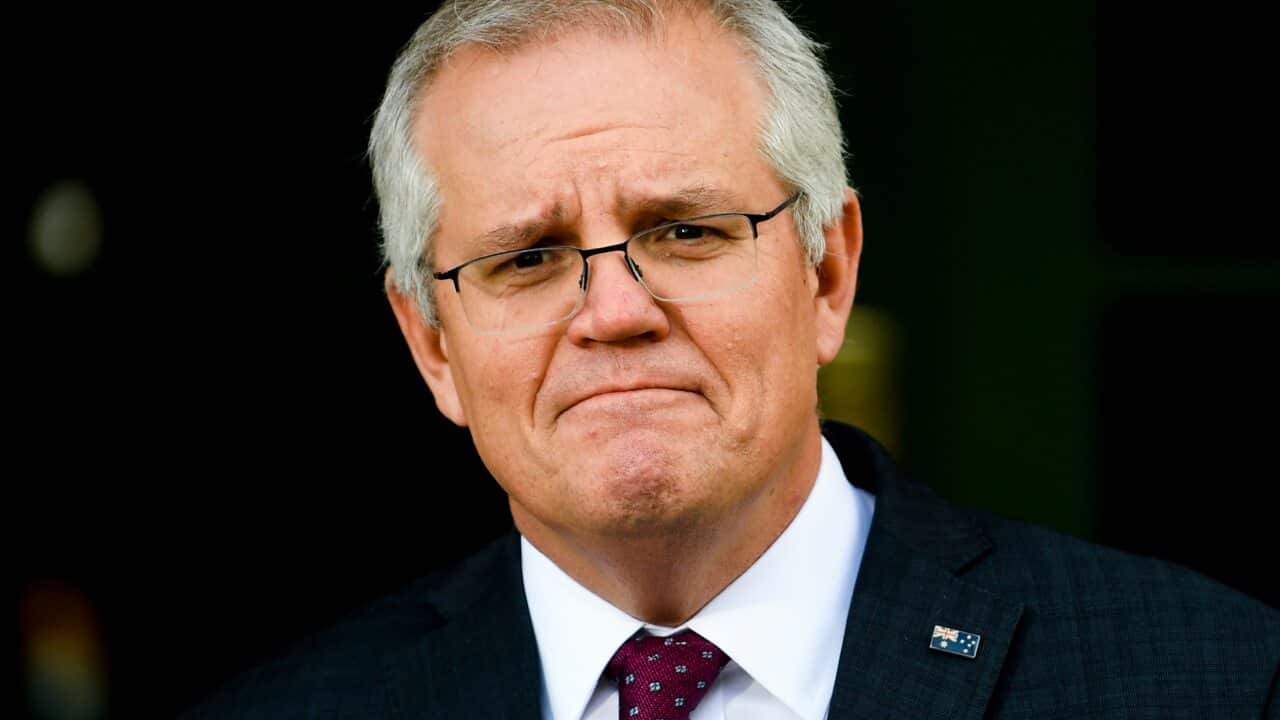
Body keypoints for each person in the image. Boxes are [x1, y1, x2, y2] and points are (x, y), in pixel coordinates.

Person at [182, 1, 1279, 718]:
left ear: (825, 274)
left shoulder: (1213, 681)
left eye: (685, 232)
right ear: (432, 344)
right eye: (526, 257)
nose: (612, 312)